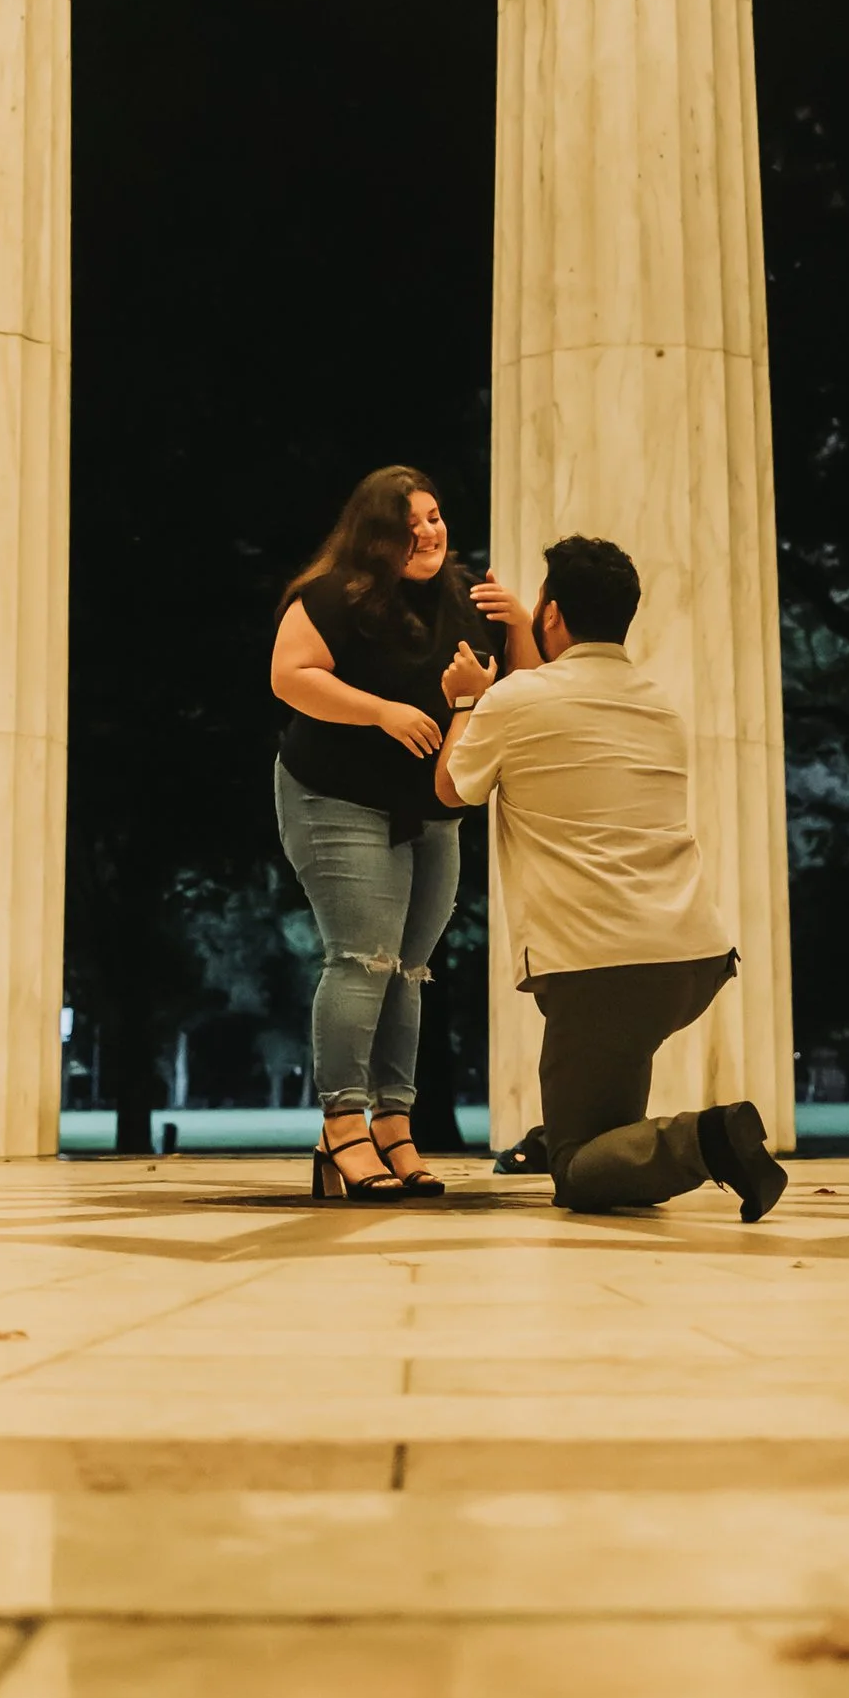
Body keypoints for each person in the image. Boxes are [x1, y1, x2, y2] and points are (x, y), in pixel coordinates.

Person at [434, 533, 786, 1222]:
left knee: (577, 1172)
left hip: (602, 967)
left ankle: (705, 1139)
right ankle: (612, 1133)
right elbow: (554, 703)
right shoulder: (657, 704)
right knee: (602, 1120)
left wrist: (465, 702)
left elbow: (451, 788)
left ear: (554, 614)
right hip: (693, 959)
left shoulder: (515, 702)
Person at [271, 465, 540, 1198]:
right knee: (362, 959)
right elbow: (290, 675)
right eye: (410, 522)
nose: (429, 531)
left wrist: (516, 624)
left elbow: (528, 689)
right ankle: (342, 1128)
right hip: (336, 794)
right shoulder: (333, 594)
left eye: (435, 516)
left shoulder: (466, 595)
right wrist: (380, 710)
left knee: (410, 971)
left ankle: (394, 1125)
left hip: (430, 807)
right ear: (375, 535)